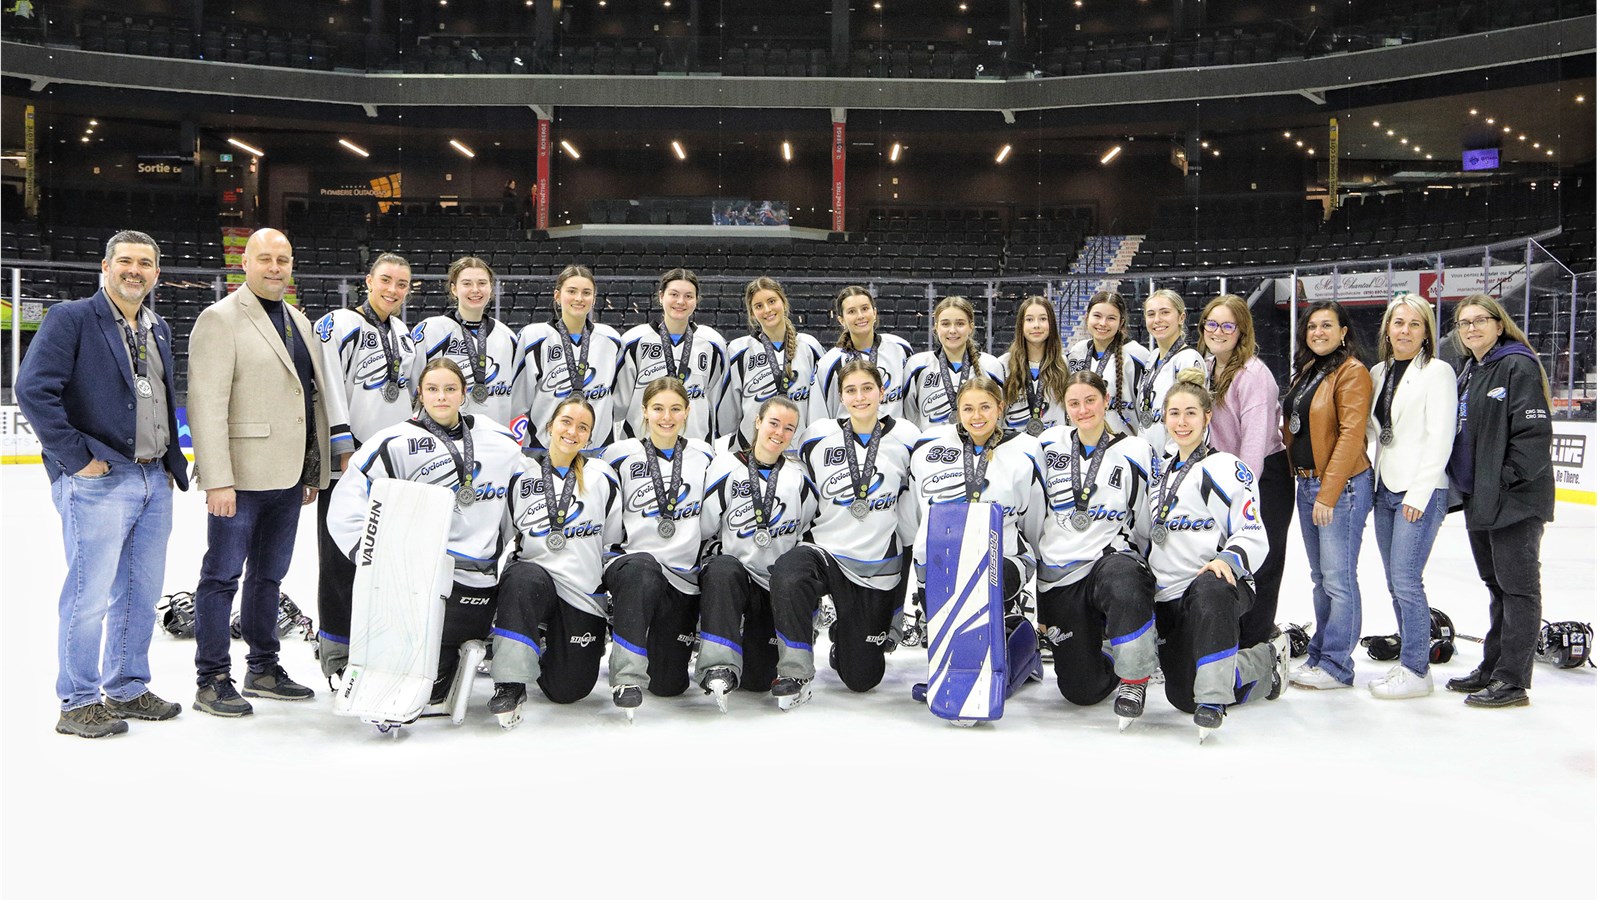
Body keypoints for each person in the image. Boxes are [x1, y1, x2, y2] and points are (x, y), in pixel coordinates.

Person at [17, 230, 191, 737]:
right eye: (125, 261)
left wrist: (169, 464)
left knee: (140, 590)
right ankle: (78, 701)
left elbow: (158, 397)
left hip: (153, 476)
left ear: (156, 274)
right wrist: (78, 460)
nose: (134, 270)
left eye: (145, 263)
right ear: (106, 266)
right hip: (100, 478)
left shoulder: (157, 328)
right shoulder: (72, 318)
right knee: (89, 594)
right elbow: (33, 390)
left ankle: (128, 686)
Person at [187, 227, 331, 716]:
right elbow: (206, 404)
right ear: (244, 264)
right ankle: (212, 679)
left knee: (269, 576)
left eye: (283, 259)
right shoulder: (219, 318)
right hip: (240, 480)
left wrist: (311, 469)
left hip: (288, 478)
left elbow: (307, 398)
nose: (275, 268)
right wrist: (217, 479)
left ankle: (263, 668)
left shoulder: (297, 320)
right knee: (222, 576)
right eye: (265, 258)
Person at [328, 359, 526, 709]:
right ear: (419, 393)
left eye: (450, 389)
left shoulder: (499, 440)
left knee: (436, 682)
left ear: (464, 394)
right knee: (422, 685)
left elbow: (525, 493)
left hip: (479, 581)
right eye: (432, 389)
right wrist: (368, 553)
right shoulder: (394, 442)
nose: (441, 397)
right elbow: (349, 498)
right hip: (419, 583)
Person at [770, 360, 921, 708]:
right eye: (851, 390)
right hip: (825, 553)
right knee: (788, 573)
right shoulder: (818, 437)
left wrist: (897, 611)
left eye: (867, 388)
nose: (860, 396)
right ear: (841, 396)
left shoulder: (908, 438)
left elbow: (911, 517)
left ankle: (845, 634)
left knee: (862, 679)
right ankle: (795, 671)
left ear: (882, 392)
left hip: (875, 569)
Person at [1148, 369, 1284, 738]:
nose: (1182, 421)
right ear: (1164, 418)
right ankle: (1250, 665)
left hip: (1216, 588)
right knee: (1181, 695)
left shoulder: (1227, 466)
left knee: (1211, 587)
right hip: (1169, 594)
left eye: (1191, 412)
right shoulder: (1158, 472)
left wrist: (1227, 559)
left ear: (1208, 416)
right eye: (1174, 413)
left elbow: (1253, 531)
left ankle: (1264, 662)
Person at [311, 252, 419, 682]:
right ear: (368, 280)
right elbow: (328, 384)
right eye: (386, 280)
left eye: (402, 284)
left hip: (389, 466)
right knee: (339, 557)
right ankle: (336, 654)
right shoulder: (339, 323)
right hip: (349, 462)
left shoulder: (406, 335)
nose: (393, 290)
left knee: (384, 559)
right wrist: (342, 444)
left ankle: (378, 644)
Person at [1444, 294, 1555, 708]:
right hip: (1481, 499)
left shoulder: (1516, 363)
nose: (1471, 328)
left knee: (1518, 589)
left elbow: (1533, 439)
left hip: (1514, 500)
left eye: (1480, 320)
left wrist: (1503, 481)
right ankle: (1493, 666)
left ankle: (1512, 680)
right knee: (1497, 586)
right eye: (1464, 322)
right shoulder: (1472, 369)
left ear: (1498, 324)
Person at [487, 397, 623, 724]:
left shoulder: (603, 476)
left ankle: (548, 646)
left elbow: (612, 543)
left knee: (568, 691)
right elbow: (500, 535)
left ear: (590, 437)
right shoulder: (520, 471)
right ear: (550, 425)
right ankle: (511, 682)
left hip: (582, 594)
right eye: (565, 421)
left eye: (582, 427)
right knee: (522, 577)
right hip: (534, 583)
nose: (572, 431)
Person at [1034, 372, 1160, 726]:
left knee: (1124, 580)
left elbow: (1148, 519)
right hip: (1060, 576)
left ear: (1106, 400)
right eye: (1074, 403)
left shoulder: (1135, 449)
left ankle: (1135, 679)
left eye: (1090, 400)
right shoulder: (1048, 445)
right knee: (1081, 691)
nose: (1083, 409)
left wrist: (1152, 573)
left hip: (1110, 559)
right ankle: (1105, 647)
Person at [906, 375, 1045, 688]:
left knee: (979, 615)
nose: (977, 416)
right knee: (948, 634)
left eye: (985, 407)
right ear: (957, 411)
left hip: (1005, 556)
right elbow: (921, 514)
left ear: (1000, 407)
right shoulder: (929, 449)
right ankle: (963, 667)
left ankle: (1020, 648)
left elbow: (1034, 518)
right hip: (944, 561)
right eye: (968, 408)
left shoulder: (1026, 450)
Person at [600, 377, 718, 715]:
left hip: (682, 576)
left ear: (687, 412)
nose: (667, 417)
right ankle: (626, 676)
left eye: (675, 409)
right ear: (644, 411)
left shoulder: (704, 456)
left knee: (668, 685)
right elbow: (607, 517)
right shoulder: (619, 455)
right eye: (658, 409)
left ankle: (663, 639)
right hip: (634, 567)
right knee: (642, 569)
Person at [695, 397, 817, 710]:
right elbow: (707, 528)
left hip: (775, 589)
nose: (779, 432)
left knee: (756, 680)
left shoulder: (798, 478)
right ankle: (717, 665)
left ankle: (791, 668)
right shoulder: (724, 467)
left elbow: (805, 531)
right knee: (721, 567)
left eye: (789, 428)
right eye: (774, 423)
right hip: (737, 582)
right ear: (758, 422)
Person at [1365, 294, 1458, 699]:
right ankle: (1410, 662)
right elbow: (1375, 430)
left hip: (1419, 491)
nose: (1404, 331)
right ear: (1387, 328)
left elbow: (1441, 438)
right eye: (1398, 323)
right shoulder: (1378, 371)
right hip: (1385, 487)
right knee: (1394, 581)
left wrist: (1419, 493)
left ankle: (1417, 670)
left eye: (1414, 325)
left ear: (1426, 333)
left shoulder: (1438, 372)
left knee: (1406, 579)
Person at [1282, 300, 1373, 691]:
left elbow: (1353, 435)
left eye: (1326, 325)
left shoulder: (1352, 372)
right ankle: (1320, 652)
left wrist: (1329, 493)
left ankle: (1338, 664)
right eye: (1311, 326)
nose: (1318, 332)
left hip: (1340, 486)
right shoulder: (1309, 371)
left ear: (1343, 332)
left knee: (1338, 579)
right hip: (1307, 483)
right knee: (1321, 578)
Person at [1199, 294, 1293, 649]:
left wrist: (1239, 497)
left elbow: (1253, 449)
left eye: (1227, 325)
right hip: (1223, 480)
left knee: (1261, 564)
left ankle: (1255, 644)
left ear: (1242, 331)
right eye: (1212, 323)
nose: (1218, 331)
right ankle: (1228, 636)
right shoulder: (1207, 367)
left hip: (1260, 479)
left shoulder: (1254, 376)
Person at [510, 264, 624, 451]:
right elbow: (518, 400)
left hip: (598, 451)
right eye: (572, 291)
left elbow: (619, 401)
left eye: (586, 293)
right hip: (543, 450)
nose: (579, 298)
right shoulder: (534, 337)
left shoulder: (611, 340)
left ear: (594, 299)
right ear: (557, 295)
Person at [615, 268, 733, 442]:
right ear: (662, 296)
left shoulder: (713, 343)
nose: (680, 301)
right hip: (641, 444)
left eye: (688, 296)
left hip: (695, 444)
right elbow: (619, 402)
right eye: (674, 294)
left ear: (696, 300)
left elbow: (716, 399)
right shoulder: (634, 341)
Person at [410, 256, 518, 428]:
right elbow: (411, 390)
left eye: (482, 283)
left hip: (493, 440)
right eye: (467, 284)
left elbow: (518, 398)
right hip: (440, 439)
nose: (475, 290)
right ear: (454, 289)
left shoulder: (507, 336)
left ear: (491, 287)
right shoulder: (430, 331)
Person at [724, 277, 824, 450]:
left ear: (783, 302)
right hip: (750, 449)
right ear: (752, 313)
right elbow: (728, 409)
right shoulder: (738, 350)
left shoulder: (810, 347)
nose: (767, 310)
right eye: (759, 306)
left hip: (798, 450)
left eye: (772, 301)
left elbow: (821, 404)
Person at [810, 285, 915, 422]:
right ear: (841, 320)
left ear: (874, 312)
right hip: (848, 441)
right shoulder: (829, 363)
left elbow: (912, 407)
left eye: (865, 309)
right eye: (852, 311)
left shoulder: (900, 349)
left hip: (893, 440)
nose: (860, 316)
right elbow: (819, 417)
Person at [903, 295, 1006, 431]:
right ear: (936, 327)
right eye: (945, 324)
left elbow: (998, 416)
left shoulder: (991, 366)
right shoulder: (917, 365)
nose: (952, 330)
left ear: (971, 327)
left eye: (960, 324)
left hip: (978, 448)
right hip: (933, 449)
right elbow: (910, 416)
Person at [1065, 290, 1150, 435]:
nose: (1102, 323)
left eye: (1111, 318)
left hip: (1124, 446)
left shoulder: (1138, 355)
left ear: (1121, 322)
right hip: (1083, 445)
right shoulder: (1076, 352)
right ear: (1087, 317)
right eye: (1097, 316)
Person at [1134, 289, 1205, 454]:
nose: (1157, 320)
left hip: (1173, 459)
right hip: (1148, 458)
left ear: (1181, 317)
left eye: (1165, 312)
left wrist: (1173, 460)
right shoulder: (1151, 359)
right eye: (1151, 314)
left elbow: (1191, 417)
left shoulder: (1188, 359)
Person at [999, 295, 1070, 436]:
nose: (1036, 325)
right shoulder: (1003, 365)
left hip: (1053, 446)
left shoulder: (1064, 364)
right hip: (1013, 446)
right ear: (1021, 325)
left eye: (1043, 319)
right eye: (1029, 319)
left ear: (1052, 324)